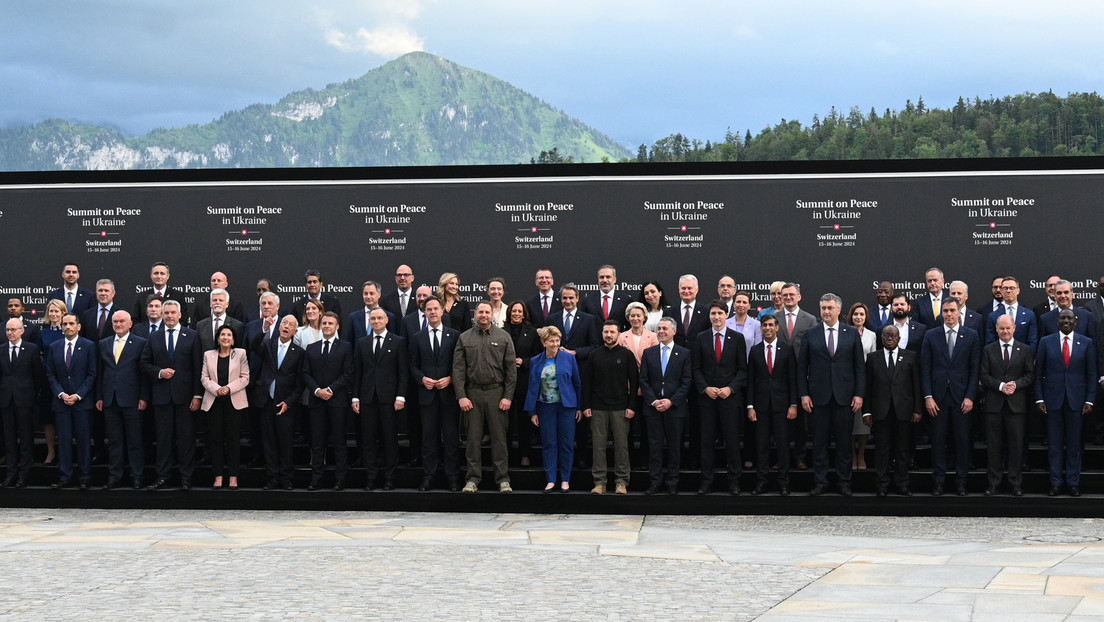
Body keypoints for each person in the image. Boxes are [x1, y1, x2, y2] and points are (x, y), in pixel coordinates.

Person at [798, 293, 866, 496]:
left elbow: (859, 367)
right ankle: (821, 482)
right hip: (817, 398)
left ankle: (844, 482)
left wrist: (859, 394)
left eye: (830, 308)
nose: (826, 312)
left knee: (844, 443)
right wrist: (804, 394)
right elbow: (802, 368)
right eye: (823, 308)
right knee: (819, 443)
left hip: (844, 397)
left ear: (838, 310)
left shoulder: (851, 333)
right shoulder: (811, 333)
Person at [453, 301, 517, 493]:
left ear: (492, 315)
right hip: (472, 394)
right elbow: (458, 370)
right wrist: (461, 396)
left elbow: (511, 370)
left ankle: (503, 479)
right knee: (473, 439)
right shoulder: (464, 338)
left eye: (487, 312)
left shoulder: (503, 337)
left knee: (499, 438)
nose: (483, 315)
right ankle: (473, 479)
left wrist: (508, 396)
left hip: (497, 393)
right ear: (475, 314)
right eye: (480, 312)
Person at [921, 298, 981, 496]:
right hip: (937, 399)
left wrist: (970, 396)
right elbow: (925, 368)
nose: (948, 314)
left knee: (962, 441)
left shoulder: (971, 335)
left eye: (952, 310)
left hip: (962, 398)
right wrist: (928, 396)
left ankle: (961, 481)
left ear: (959, 312)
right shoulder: (931, 335)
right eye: (945, 311)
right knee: (938, 441)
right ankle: (938, 481)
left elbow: (974, 370)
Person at [140, 300, 202, 491]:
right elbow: (144, 363)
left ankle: (186, 478)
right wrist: (160, 372)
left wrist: (197, 395)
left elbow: (197, 366)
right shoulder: (154, 337)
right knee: (164, 439)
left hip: (185, 398)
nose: (169, 316)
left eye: (173, 313)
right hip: (162, 397)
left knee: (186, 439)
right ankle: (163, 476)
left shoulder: (192, 336)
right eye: (166, 313)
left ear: (180, 314)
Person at [1035, 308, 1095, 497]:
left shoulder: (1086, 343)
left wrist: (1089, 400)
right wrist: (1039, 398)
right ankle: (1056, 483)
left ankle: (1073, 483)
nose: (1066, 321)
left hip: (1077, 402)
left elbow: (1091, 374)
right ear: (1057, 321)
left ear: (1075, 321)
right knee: (1054, 445)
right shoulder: (1046, 342)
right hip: (1052, 401)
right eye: (1063, 318)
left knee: (1075, 445)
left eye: (1069, 318)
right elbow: (1038, 374)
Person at [692, 300, 748, 495]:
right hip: (707, 400)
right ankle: (707, 481)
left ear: (726, 315)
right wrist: (705, 388)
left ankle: (734, 481)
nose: (716, 317)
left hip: (729, 400)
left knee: (732, 442)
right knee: (706, 442)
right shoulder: (701, 338)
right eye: (713, 314)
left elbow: (742, 370)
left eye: (720, 313)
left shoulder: (737, 338)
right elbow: (696, 368)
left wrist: (730, 388)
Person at [351, 308, 408, 491]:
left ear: (386, 320)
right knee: (368, 440)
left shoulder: (398, 342)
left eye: (379, 318)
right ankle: (371, 478)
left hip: (389, 399)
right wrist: (355, 397)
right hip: (367, 398)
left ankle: (389, 479)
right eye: (373, 318)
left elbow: (402, 372)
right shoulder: (362, 343)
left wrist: (400, 396)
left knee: (389, 440)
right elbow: (357, 372)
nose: (376, 321)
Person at [862, 325, 922, 496]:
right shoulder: (873, 358)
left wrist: (918, 409)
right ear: (881, 338)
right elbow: (868, 386)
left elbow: (916, 385)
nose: (889, 338)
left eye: (893, 335)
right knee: (882, 450)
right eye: (886, 335)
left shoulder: (910, 357)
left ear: (899, 338)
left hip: (904, 411)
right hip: (881, 412)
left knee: (902, 449)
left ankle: (902, 483)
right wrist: (866, 411)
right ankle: (882, 485)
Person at [979, 314, 1035, 497]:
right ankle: (993, 484)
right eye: (1001, 328)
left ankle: (1015, 483)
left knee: (1016, 446)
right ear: (996, 329)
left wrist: (1016, 385)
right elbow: (984, 375)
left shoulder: (1024, 350)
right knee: (994, 447)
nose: (1004, 331)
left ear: (1014, 328)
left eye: (1007, 328)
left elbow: (1030, 374)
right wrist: (1001, 386)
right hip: (994, 406)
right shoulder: (988, 350)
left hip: (1016, 407)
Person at [409, 297, 461, 491]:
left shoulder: (454, 335)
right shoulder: (417, 337)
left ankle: (453, 477)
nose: (432, 312)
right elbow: (412, 365)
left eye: (435, 309)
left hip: (448, 395)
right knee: (428, 438)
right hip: (427, 394)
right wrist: (422, 379)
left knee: (450, 438)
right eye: (428, 309)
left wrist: (451, 378)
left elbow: (460, 364)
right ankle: (428, 476)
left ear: (442, 312)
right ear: (425, 313)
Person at [524, 325, 582, 493]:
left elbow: (577, 383)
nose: (555, 344)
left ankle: (565, 479)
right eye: (551, 341)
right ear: (544, 342)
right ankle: (550, 480)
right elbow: (533, 386)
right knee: (549, 443)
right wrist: (533, 411)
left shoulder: (569, 358)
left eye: (557, 341)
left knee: (566, 443)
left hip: (566, 407)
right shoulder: (536, 360)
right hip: (545, 407)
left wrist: (579, 407)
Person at [584, 320, 639, 494]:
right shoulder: (594, 355)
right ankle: (599, 482)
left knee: (621, 446)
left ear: (618, 334)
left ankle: (621, 481)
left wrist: (631, 406)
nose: (609, 335)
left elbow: (635, 382)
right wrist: (586, 405)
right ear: (602, 334)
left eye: (612, 332)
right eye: (606, 332)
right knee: (598, 447)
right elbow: (587, 383)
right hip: (598, 407)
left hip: (621, 408)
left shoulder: (627, 355)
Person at [639, 317, 692, 494]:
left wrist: (671, 401)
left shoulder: (684, 353)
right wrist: (654, 401)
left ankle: (672, 483)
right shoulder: (649, 353)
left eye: (665, 328)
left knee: (674, 447)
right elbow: (644, 380)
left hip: (675, 409)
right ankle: (655, 482)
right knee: (654, 448)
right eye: (659, 328)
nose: (661, 331)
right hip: (653, 408)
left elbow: (686, 381)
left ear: (674, 331)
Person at [95, 310, 148, 489]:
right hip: (110, 400)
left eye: (122, 322)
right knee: (115, 441)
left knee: (135, 441)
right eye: (115, 322)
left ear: (130, 324)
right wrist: (100, 396)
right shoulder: (103, 343)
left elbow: (144, 373)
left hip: (133, 399)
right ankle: (115, 476)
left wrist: (143, 396)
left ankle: (137, 476)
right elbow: (100, 372)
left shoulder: (141, 343)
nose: (118, 324)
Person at [251, 315, 305, 490]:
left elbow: (299, 384)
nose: (286, 326)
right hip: (266, 400)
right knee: (269, 441)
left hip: (285, 404)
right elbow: (253, 346)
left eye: (290, 325)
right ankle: (273, 477)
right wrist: (264, 329)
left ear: (295, 331)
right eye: (284, 323)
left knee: (286, 442)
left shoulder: (299, 353)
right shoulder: (269, 344)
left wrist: (288, 403)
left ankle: (286, 477)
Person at [746, 314, 797, 495]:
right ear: (761, 328)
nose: (767, 328)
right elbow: (750, 379)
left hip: (782, 406)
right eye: (764, 325)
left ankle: (783, 482)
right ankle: (762, 481)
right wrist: (750, 406)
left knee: (783, 445)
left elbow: (792, 378)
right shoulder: (755, 350)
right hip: (760, 407)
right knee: (761, 445)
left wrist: (793, 404)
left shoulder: (787, 349)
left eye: (770, 325)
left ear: (777, 328)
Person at [302, 311, 353, 491]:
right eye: (324, 323)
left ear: (337, 326)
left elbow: (347, 373)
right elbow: (305, 373)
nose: (327, 326)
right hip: (316, 402)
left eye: (331, 323)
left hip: (337, 401)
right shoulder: (311, 348)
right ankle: (316, 479)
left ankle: (340, 479)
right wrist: (317, 391)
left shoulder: (345, 347)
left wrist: (330, 390)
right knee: (317, 443)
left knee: (339, 442)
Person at [45, 313, 97, 490]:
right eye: (64, 324)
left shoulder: (89, 346)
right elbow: (50, 374)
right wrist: (60, 393)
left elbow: (92, 374)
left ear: (78, 326)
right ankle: (65, 476)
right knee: (65, 441)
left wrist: (78, 395)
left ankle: (85, 476)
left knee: (83, 441)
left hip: (82, 402)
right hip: (61, 403)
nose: (67, 327)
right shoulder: (54, 347)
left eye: (71, 324)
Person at [200, 325, 249, 490]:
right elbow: (204, 378)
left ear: (233, 339)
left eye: (229, 335)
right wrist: (217, 389)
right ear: (218, 338)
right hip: (214, 401)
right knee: (215, 440)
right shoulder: (209, 355)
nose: (226, 337)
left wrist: (228, 388)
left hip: (233, 401)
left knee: (233, 440)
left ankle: (233, 477)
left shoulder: (240, 354)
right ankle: (218, 476)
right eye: (223, 334)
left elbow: (245, 377)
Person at [777, 282, 817, 470]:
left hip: (802, 376)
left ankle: (800, 457)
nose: (788, 298)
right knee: (779, 423)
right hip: (778, 377)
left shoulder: (809, 320)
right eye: (785, 295)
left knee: (801, 422)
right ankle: (781, 457)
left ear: (799, 297)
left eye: (792, 295)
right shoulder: (773, 318)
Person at [1, 317, 45, 488]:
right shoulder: (1, 349)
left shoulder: (32, 349)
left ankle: (23, 475)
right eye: (7, 330)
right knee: (9, 439)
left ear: (22, 331)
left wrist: (33, 396)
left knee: (26, 438)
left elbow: (37, 376)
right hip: (6, 401)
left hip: (25, 401)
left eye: (13, 330)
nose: (10, 333)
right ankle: (10, 474)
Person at [504, 300, 540, 467]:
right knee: (506, 422)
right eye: (514, 311)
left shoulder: (532, 332)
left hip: (525, 382)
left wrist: (524, 362)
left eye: (519, 311)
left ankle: (525, 454)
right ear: (509, 313)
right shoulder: (501, 332)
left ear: (524, 313)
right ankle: (508, 455)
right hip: (505, 384)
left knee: (525, 422)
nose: (516, 314)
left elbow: (539, 356)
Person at [37, 298, 68, 465]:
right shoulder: (43, 333)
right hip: (48, 381)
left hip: (66, 381)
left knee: (64, 418)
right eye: (51, 311)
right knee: (48, 418)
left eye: (57, 311)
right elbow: (41, 357)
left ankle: (65, 451)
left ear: (63, 313)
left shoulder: (68, 330)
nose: (54, 314)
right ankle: (51, 451)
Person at [847, 302, 877, 471]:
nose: (858, 317)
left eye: (862, 314)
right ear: (851, 316)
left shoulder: (872, 335)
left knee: (863, 419)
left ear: (866, 317)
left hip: (865, 380)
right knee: (850, 420)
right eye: (855, 314)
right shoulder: (845, 333)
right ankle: (852, 455)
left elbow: (872, 360)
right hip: (848, 381)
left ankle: (861, 455)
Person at [985, 277, 1038, 350]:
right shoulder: (993, 316)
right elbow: (990, 343)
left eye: (1012, 288)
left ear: (1018, 291)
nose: (1008, 291)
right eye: (1005, 288)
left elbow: (1032, 342)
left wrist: (1026, 358)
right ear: (1001, 291)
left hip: (1024, 359)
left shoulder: (1029, 315)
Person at [581, 265, 632, 331]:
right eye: (601, 277)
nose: (604, 280)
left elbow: (629, 327)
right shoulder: (588, 301)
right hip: (594, 341)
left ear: (614, 279)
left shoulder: (626, 300)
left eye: (608, 277)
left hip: (618, 341)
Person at [81, 278, 123, 343]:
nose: (103, 293)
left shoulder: (121, 313)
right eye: (100, 290)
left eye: (106, 291)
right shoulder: (87, 315)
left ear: (113, 293)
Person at [673, 274, 709, 348]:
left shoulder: (706, 312)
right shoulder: (669, 312)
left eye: (690, 288)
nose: (686, 291)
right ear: (679, 290)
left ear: (697, 290)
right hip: (677, 357)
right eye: (683, 288)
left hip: (698, 356)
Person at [725, 291, 762, 356]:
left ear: (749, 306)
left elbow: (758, 349)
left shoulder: (756, 325)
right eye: (738, 302)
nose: (741, 305)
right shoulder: (726, 323)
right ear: (734, 304)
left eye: (744, 302)